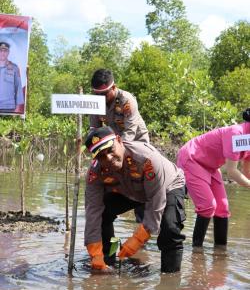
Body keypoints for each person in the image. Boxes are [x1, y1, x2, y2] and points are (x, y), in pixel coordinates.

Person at [84, 126, 186, 274]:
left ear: (119, 140)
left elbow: (155, 201)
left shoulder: (146, 158)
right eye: (101, 156)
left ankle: (170, 280)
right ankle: (107, 261)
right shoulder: (95, 172)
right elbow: (93, 210)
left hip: (168, 186)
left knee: (170, 230)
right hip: (131, 191)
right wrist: (94, 252)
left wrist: (138, 239)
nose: (109, 159)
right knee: (103, 213)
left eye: (110, 150)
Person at [177, 108, 250, 248]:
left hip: (211, 166)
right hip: (192, 159)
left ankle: (221, 254)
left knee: (222, 208)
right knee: (207, 206)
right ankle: (196, 253)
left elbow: (247, 171)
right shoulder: (238, 133)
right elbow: (232, 171)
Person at [90, 68, 149, 222]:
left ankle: (142, 220)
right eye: (97, 94)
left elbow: (130, 132)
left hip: (135, 142)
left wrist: (118, 153)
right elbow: (94, 130)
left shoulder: (126, 100)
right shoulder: (94, 101)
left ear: (114, 88)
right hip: (112, 144)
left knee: (139, 179)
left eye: (104, 94)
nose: (100, 98)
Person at [0, 41, 24, 112]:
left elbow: (18, 87)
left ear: (8, 52)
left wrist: (18, 107)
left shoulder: (14, 68)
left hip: (9, 107)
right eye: (0, 50)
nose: (2, 53)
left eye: (5, 51)